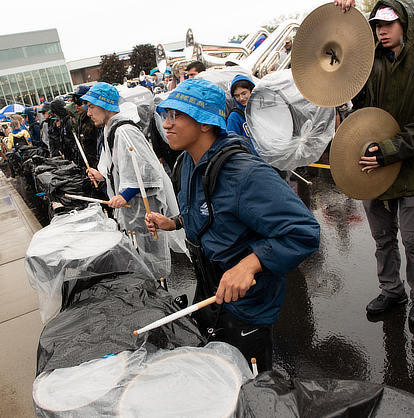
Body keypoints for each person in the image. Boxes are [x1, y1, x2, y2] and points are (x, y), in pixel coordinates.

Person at [144, 79, 320, 371]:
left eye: (177, 115)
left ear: (205, 122)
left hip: (248, 307)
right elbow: (206, 213)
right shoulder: (188, 161)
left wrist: (249, 264)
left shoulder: (244, 173)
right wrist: (173, 222)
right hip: (211, 293)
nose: (166, 124)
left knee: (250, 385)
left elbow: (304, 231)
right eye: (165, 115)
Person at [335, 0, 414, 325]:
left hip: (410, 168)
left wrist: (386, 151)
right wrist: (344, 17)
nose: (382, 31)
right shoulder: (370, 62)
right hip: (371, 165)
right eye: (377, 25)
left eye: (389, 24)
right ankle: (391, 289)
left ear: (406, 24)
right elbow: (357, 102)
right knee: (383, 238)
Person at [82, 82, 176, 280]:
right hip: (133, 209)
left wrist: (124, 195)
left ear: (105, 105)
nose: (88, 113)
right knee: (139, 253)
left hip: (141, 207)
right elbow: (121, 167)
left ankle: (159, 293)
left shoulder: (124, 130)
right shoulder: (109, 128)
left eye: (91, 106)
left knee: (150, 255)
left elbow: (148, 170)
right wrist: (101, 175)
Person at [69, 85, 99, 168]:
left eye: (79, 102)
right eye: (74, 102)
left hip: (97, 168)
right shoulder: (82, 119)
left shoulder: (94, 121)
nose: (76, 105)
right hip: (87, 167)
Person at [226, 74, 255, 143]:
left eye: (244, 93)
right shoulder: (234, 117)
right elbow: (231, 142)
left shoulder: (261, 110)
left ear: (251, 91)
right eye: (237, 96)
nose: (241, 98)